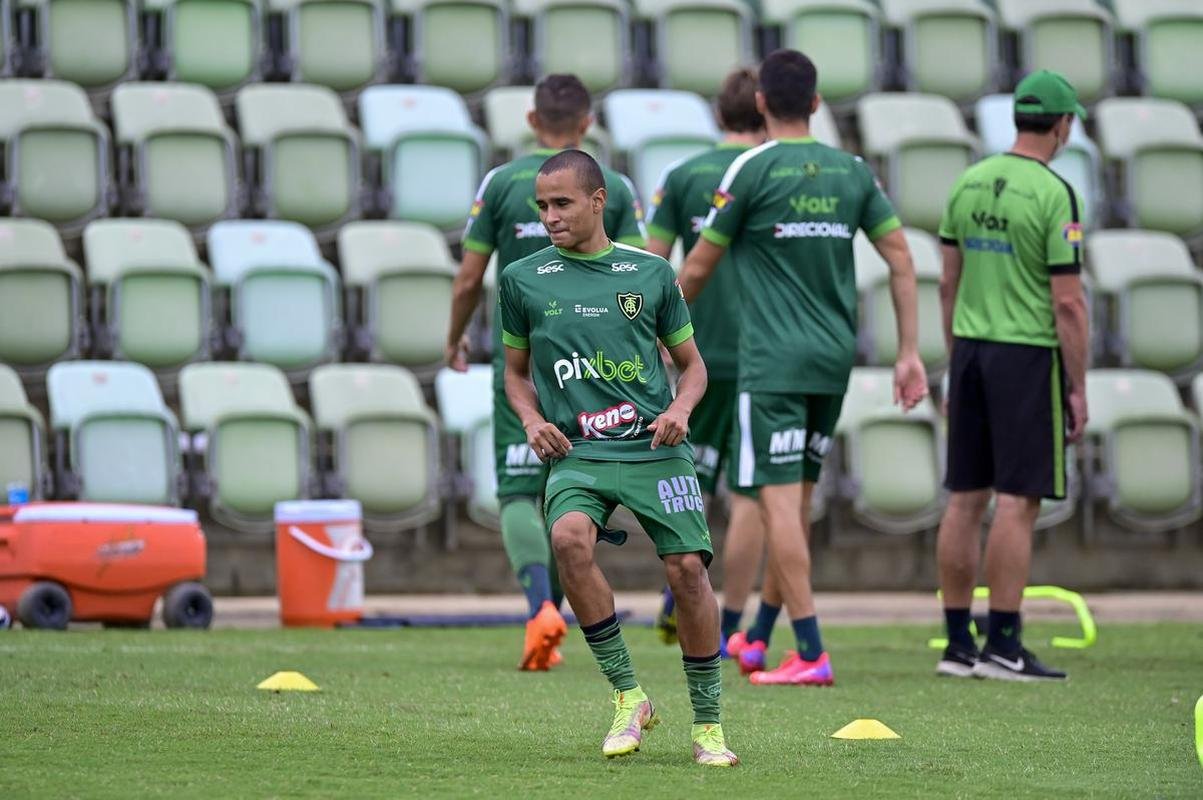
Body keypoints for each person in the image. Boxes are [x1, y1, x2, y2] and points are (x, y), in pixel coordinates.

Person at [678, 49, 928, 686]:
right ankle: (760, 636)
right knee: (800, 498)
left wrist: (659, 328)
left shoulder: (751, 168)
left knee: (773, 502)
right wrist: (906, 352)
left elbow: (701, 266)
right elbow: (902, 260)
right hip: (833, 358)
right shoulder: (853, 172)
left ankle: (811, 650)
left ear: (762, 103)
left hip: (773, 364)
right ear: (816, 103)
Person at [500, 150, 738, 767]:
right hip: (577, 451)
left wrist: (681, 410)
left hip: (653, 448)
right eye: (543, 207)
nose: (549, 217)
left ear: (598, 200)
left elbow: (693, 368)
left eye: (562, 204)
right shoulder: (523, 280)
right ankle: (628, 696)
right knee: (569, 539)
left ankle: (708, 726)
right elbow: (515, 374)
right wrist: (531, 418)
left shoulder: (651, 274)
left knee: (688, 571)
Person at [445, 74, 646, 672]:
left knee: (516, 489)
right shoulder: (611, 186)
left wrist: (454, 338)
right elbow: (641, 268)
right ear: (587, 123)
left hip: (527, 358)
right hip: (594, 362)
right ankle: (558, 616)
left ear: (533, 121)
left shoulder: (503, 183)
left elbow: (468, 276)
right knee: (572, 486)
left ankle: (540, 611)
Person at [934, 69, 1089, 682]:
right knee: (1017, 501)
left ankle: (956, 645)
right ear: (1062, 124)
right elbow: (1069, 304)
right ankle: (1003, 644)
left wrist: (954, 358)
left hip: (970, 350)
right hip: (1025, 356)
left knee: (965, 499)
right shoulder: (1055, 193)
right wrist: (1077, 385)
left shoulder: (968, 182)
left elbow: (947, 281)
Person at [643, 67, 767, 655]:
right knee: (752, 491)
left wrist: (656, 335)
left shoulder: (682, 175)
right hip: (768, 351)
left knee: (690, 473)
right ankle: (731, 624)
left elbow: (652, 264)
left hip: (694, 347)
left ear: (719, 116)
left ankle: (681, 586)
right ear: (765, 114)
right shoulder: (775, 173)